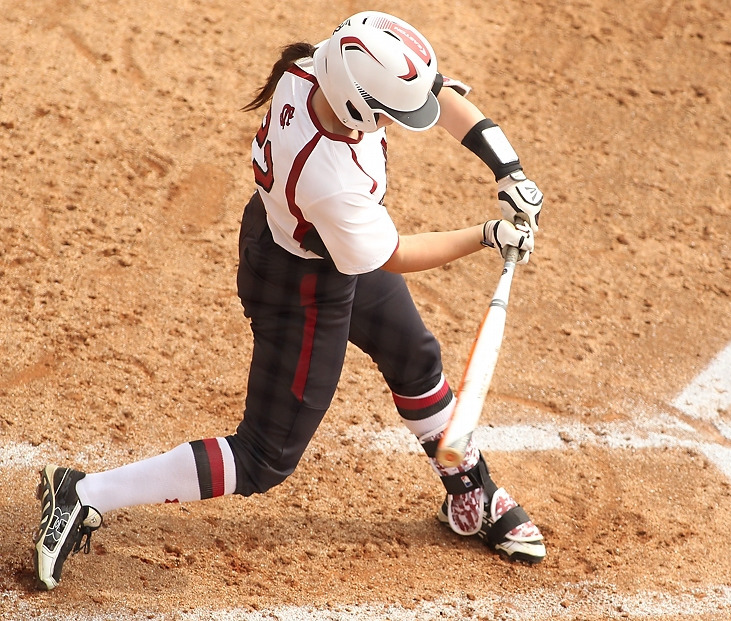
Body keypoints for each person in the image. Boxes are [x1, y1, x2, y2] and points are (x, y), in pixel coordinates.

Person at [32, 11, 546, 591]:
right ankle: (83, 492)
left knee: (413, 355)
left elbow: (438, 96)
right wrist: (487, 236)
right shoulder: (330, 175)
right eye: (386, 114)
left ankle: (468, 490)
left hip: (312, 243)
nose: (395, 122)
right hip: (301, 285)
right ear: (358, 105)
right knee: (263, 457)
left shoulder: (321, 67)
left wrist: (508, 169)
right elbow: (392, 254)